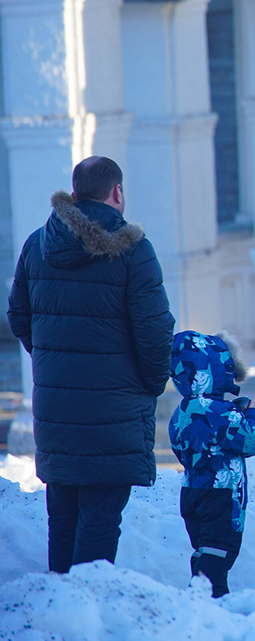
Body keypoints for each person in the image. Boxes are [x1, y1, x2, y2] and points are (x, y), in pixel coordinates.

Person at [6, 156, 175, 573]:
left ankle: (62, 616)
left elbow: (18, 319)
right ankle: (87, 614)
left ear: (75, 191)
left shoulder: (36, 245)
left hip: (56, 411)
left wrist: (53, 362)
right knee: (100, 519)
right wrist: (149, 385)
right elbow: (155, 334)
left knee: (62, 518)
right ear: (117, 193)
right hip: (113, 413)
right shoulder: (134, 251)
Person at [169, 331, 255, 597]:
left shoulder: (183, 410)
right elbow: (253, 439)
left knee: (205, 548)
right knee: (220, 550)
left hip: (192, 490)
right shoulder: (218, 412)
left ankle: (201, 590)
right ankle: (211, 598)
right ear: (215, 368)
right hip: (221, 495)